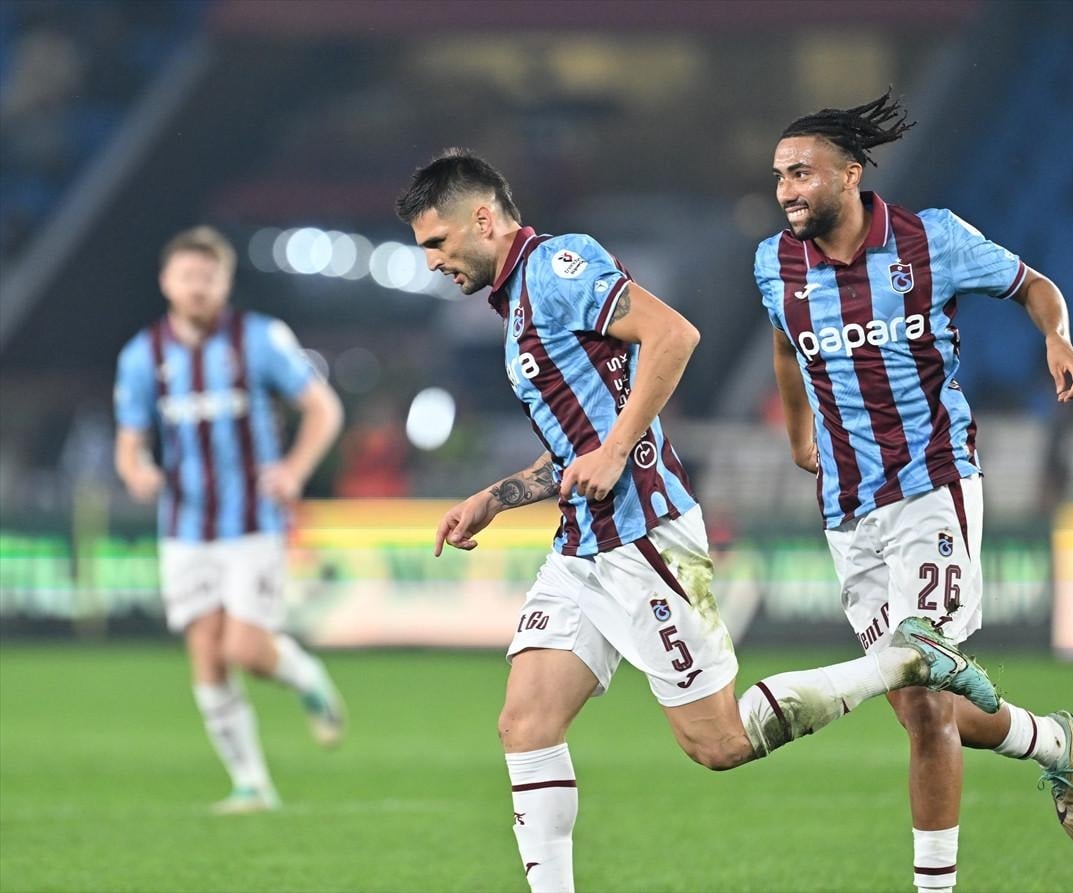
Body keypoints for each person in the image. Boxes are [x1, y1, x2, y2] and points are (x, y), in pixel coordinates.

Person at [395, 148, 1001, 893]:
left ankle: (903, 662)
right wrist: (494, 498)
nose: (431, 261)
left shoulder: (556, 268)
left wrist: (616, 450)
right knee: (524, 722)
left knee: (719, 743)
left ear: (483, 219)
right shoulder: (517, 298)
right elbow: (579, 448)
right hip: (583, 543)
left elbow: (673, 335)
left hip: (642, 534)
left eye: (436, 242)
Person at [755, 91, 1073, 893]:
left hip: (930, 485)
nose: (786, 190)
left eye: (802, 173)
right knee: (923, 704)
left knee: (924, 675)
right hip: (847, 510)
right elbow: (783, 343)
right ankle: (1053, 741)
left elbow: (1033, 284)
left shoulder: (930, 239)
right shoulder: (775, 263)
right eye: (779, 176)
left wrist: (1058, 337)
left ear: (850, 174)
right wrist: (799, 431)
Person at [113, 226, 346, 814]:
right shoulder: (143, 354)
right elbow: (129, 442)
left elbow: (323, 408)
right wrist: (138, 472)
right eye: (187, 276)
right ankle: (251, 784)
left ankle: (306, 676)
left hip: (253, 523)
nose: (197, 287)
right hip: (185, 528)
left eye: (208, 276)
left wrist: (294, 470)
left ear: (225, 282)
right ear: (166, 282)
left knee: (245, 648)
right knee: (207, 654)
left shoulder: (260, 339)